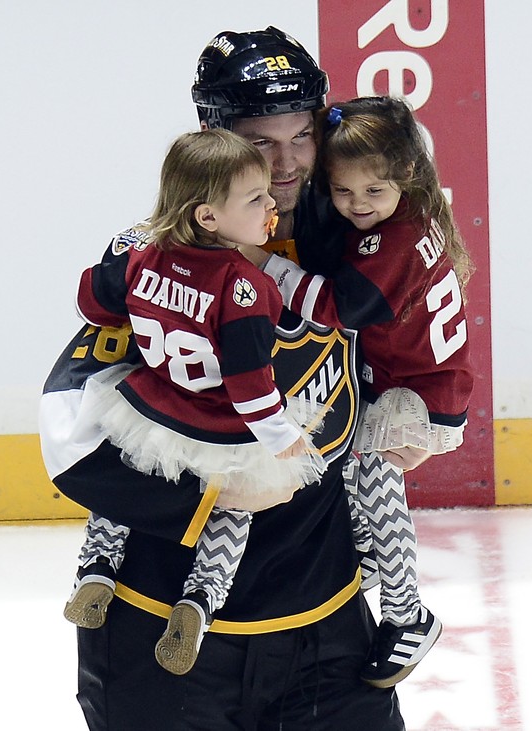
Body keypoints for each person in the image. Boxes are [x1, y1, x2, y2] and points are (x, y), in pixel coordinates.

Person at [39, 27, 406, 730]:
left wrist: (433, 403)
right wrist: (210, 496)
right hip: (163, 636)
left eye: (301, 136)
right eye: (262, 144)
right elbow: (71, 413)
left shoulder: (357, 238)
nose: (288, 162)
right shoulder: (163, 256)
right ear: (214, 138)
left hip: (325, 631)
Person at [62, 127, 327, 677]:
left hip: (151, 410)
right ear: (209, 217)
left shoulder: (145, 257)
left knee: (126, 492)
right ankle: (198, 604)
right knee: (233, 510)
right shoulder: (244, 286)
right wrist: (283, 438)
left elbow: (91, 300)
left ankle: (94, 572)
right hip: (222, 424)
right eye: (255, 199)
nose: (272, 203)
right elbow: (252, 383)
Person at [244, 96, 474, 688]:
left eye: (372, 192)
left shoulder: (391, 240)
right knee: (350, 465)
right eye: (343, 193)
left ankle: (406, 615)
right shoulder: (410, 214)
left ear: (405, 178)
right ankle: (375, 558)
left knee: (372, 477)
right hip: (419, 386)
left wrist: (259, 263)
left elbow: (335, 308)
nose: (355, 206)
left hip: (416, 397)